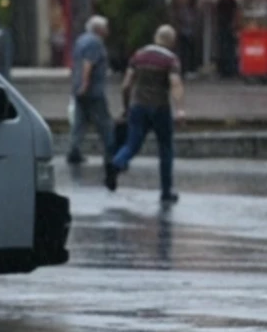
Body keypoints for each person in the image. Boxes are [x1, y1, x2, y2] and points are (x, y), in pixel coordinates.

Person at [105, 25, 186, 202]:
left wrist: (126, 106)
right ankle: (166, 191)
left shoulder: (139, 55)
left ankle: (116, 163)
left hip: (137, 106)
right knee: (165, 149)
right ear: (171, 41)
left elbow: (126, 85)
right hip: (160, 108)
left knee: (132, 144)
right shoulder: (170, 60)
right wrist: (179, 109)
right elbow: (175, 84)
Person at [67, 15, 114, 166]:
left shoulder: (81, 40)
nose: (108, 30)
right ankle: (110, 153)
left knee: (80, 122)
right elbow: (88, 64)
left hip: (79, 88)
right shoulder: (95, 43)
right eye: (106, 27)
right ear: (99, 29)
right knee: (104, 122)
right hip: (92, 90)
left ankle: (74, 151)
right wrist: (85, 84)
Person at [214, 0, 240, 78]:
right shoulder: (221, 3)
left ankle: (229, 70)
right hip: (223, 29)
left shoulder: (231, 2)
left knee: (229, 50)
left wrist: (234, 25)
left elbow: (236, 14)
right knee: (224, 50)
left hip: (228, 29)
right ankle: (225, 70)